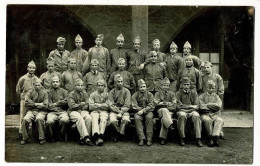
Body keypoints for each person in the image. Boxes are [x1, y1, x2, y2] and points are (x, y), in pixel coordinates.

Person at [176, 77, 203, 147]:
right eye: (184, 84)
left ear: (190, 85)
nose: (186, 86)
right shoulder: (178, 93)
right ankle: (182, 137)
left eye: (188, 84)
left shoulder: (194, 93)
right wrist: (191, 106)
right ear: (181, 85)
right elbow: (178, 106)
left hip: (192, 111)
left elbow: (196, 106)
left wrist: (188, 107)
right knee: (182, 115)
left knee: (196, 116)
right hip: (182, 111)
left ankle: (198, 138)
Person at [20, 79, 48, 145]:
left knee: (39, 119)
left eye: (39, 85)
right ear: (33, 85)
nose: (37, 86)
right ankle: (25, 138)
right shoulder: (30, 92)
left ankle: (42, 138)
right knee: (25, 120)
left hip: (42, 111)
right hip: (31, 110)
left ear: (41, 86)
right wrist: (37, 104)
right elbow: (26, 103)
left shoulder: (45, 93)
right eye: (36, 85)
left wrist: (33, 104)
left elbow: (45, 105)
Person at [16, 60, 39, 139]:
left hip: (33, 100)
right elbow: (18, 90)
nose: (31, 69)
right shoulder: (23, 78)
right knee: (23, 116)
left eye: (33, 68)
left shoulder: (37, 79)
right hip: (24, 100)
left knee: (33, 115)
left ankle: (33, 134)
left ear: (35, 69)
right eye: (30, 68)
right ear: (27, 68)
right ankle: (21, 133)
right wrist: (23, 97)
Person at [67, 78, 94, 146]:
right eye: (78, 85)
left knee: (89, 118)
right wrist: (80, 105)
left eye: (82, 85)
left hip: (82, 111)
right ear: (75, 86)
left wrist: (82, 107)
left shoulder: (84, 93)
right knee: (79, 118)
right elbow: (71, 106)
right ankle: (86, 137)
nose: (80, 87)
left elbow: (87, 104)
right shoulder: (71, 94)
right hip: (73, 111)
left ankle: (83, 138)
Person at [199, 80, 224, 147]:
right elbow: (201, 107)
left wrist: (208, 104)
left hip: (214, 114)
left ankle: (215, 137)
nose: (211, 89)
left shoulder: (216, 96)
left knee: (220, 120)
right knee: (208, 120)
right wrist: (212, 106)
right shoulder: (202, 96)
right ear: (206, 88)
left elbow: (218, 106)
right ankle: (210, 138)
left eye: (213, 88)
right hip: (205, 114)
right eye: (209, 88)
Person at [108, 74, 131, 142]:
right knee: (112, 121)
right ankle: (120, 133)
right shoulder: (112, 92)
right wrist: (118, 111)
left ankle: (119, 134)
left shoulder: (127, 91)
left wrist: (121, 112)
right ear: (115, 83)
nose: (120, 83)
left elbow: (127, 104)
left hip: (124, 110)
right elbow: (111, 105)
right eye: (118, 82)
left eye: (121, 81)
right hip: (115, 110)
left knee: (126, 120)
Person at [46, 76, 69, 141]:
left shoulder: (64, 92)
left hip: (62, 111)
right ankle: (52, 136)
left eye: (57, 82)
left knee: (65, 120)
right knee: (49, 122)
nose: (55, 83)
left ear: (59, 83)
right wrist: (60, 103)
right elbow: (49, 105)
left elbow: (67, 102)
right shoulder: (49, 93)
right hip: (52, 112)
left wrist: (57, 103)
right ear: (51, 83)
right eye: (53, 82)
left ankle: (61, 134)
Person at [132, 79, 154, 146]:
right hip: (138, 111)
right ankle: (141, 138)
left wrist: (144, 110)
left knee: (149, 118)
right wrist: (139, 110)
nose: (142, 88)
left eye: (144, 86)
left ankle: (149, 139)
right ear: (138, 88)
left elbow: (151, 105)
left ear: (146, 87)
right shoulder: (135, 95)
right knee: (137, 118)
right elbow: (134, 105)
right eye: (141, 87)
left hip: (148, 111)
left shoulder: (150, 94)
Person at [154, 77, 176, 145]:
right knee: (164, 110)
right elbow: (156, 104)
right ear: (161, 86)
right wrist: (168, 104)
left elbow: (174, 105)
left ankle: (162, 138)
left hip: (170, 112)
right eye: (164, 85)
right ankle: (170, 125)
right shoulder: (157, 94)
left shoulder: (172, 94)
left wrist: (163, 103)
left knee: (164, 118)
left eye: (167, 85)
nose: (166, 87)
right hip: (160, 111)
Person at [89, 79, 109, 146]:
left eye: (102, 86)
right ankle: (96, 136)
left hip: (104, 111)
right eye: (99, 85)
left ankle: (100, 135)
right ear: (96, 86)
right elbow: (91, 106)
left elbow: (108, 106)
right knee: (94, 118)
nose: (100, 87)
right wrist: (102, 105)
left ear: (104, 86)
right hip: (94, 111)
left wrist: (98, 105)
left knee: (103, 118)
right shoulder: (93, 94)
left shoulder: (107, 95)